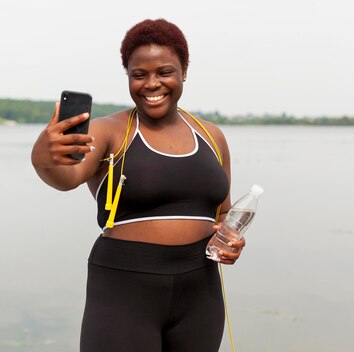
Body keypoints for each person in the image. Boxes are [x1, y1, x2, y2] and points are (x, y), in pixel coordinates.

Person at [31, 19, 246, 351]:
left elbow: (223, 214)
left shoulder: (212, 136)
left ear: (184, 71)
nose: (151, 84)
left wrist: (229, 238)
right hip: (124, 288)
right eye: (139, 75)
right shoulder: (108, 131)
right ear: (128, 76)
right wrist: (43, 157)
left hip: (200, 289)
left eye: (164, 72)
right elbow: (65, 178)